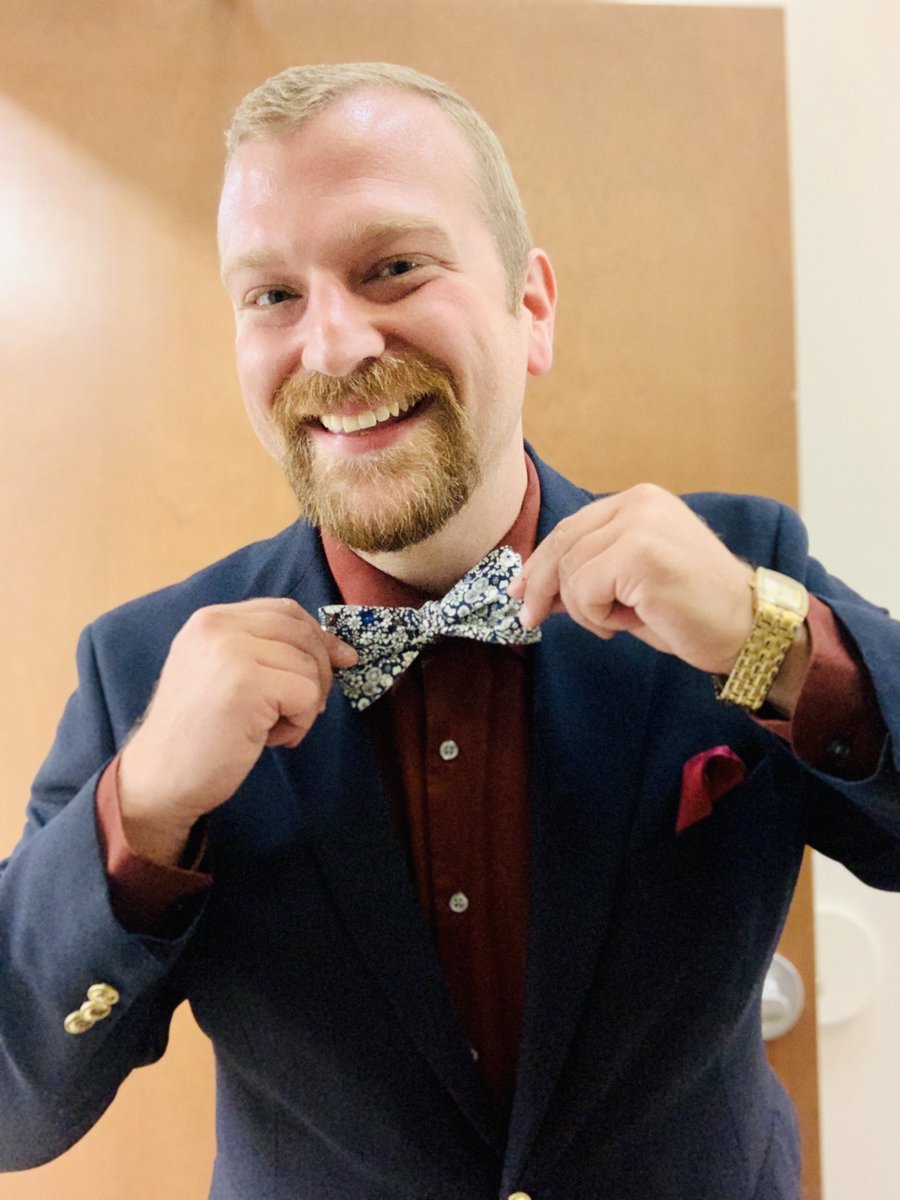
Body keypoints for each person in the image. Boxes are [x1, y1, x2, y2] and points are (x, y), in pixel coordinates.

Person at [1, 61, 898, 1200]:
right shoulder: (139, 669)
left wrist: (767, 643)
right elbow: (11, 1103)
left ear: (531, 308)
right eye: (271, 295)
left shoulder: (742, 577)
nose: (330, 347)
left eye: (393, 266)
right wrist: (145, 810)